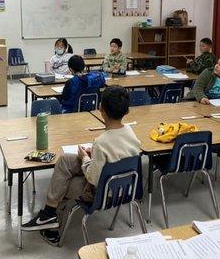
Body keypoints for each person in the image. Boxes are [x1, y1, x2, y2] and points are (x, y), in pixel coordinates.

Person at [22, 85, 141, 245]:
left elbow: (92, 178)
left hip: (103, 193)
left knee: (63, 182)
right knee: (64, 160)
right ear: (127, 111)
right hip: (124, 187)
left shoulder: (102, 142)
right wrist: (94, 154)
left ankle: (50, 225)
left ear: (101, 109)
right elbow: (117, 154)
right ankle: (49, 214)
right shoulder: (130, 132)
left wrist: (85, 157)